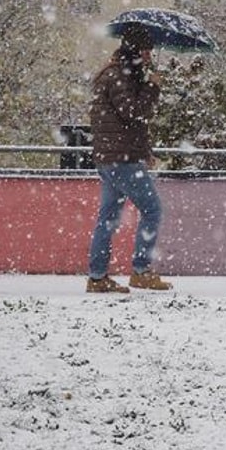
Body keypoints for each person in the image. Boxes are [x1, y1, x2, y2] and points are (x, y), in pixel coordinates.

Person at [86, 24, 173, 293]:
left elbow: (132, 123)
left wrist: (144, 152)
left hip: (113, 157)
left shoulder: (120, 74)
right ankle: (141, 271)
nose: (149, 57)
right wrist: (153, 88)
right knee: (153, 210)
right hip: (121, 159)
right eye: (146, 51)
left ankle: (98, 277)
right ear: (135, 50)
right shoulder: (119, 76)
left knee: (108, 218)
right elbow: (134, 113)